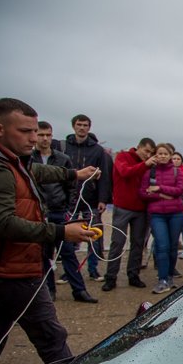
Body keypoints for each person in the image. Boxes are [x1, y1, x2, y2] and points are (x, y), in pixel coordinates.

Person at [0, 98, 100, 364]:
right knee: (52, 339)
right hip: (14, 272)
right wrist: (61, 232)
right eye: (25, 131)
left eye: (35, 131)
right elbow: (2, 224)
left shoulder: (9, 159)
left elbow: (35, 171)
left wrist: (74, 174)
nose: (34, 138)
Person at [31, 121, 96, 303]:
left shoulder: (62, 158)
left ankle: (79, 290)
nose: (45, 139)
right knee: (44, 255)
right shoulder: (28, 159)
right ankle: (49, 290)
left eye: (48, 135)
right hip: (39, 213)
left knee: (68, 253)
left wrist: (68, 207)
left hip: (59, 211)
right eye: (41, 134)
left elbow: (71, 186)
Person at [62, 113, 113, 281]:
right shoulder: (64, 147)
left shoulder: (97, 150)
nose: (82, 128)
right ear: (74, 126)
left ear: (89, 128)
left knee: (93, 235)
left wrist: (103, 199)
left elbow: (104, 176)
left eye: (85, 125)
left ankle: (93, 269)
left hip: (90, 199)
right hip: (69, 199)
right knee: (68, 235)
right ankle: (69, 271)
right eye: (79, 124)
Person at [103, 137, 156, 291]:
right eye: (146, 151)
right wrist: (145, 164)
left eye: (150, 153)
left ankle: (133, 275)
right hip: (123, 207)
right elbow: (126, 172)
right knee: (117, 243)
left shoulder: (149, 165)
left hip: (141, 208)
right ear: (138, 147)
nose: (147, 155)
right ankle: (110, 277)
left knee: (138, 244)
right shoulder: (123, 157)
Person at [139, 144, 183, 294]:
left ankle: (170, 276)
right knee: (162, 245)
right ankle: (162, 279)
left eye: (165, 153)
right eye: (159, 153)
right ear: (155, 155)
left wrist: (159, 188)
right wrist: (162, 196)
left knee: (173, 246)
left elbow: (179, 190)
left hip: (175, 213)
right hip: (157, 214)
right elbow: (143, 193)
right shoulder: (149, 173)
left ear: (170, 155)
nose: (162, 156)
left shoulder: (177, 172)